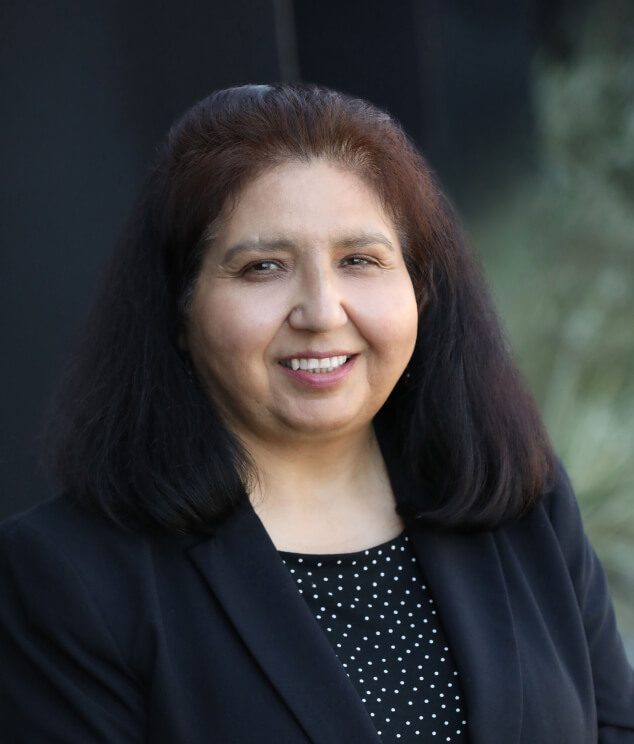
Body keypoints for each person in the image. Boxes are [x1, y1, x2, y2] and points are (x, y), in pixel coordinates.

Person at [0, 83, 632, 743]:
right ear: (179, 310)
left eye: (360, 260)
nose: (322, 312)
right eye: (262, 267)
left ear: (420, 289)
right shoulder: (68, 576)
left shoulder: (521, 502)